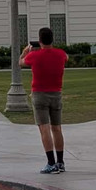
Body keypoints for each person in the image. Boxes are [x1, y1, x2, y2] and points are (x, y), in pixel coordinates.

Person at [20, 27, 69, 174]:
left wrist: (24, 52)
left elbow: (20, 63)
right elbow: (66, 57)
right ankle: (60, 162)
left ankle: (51, 162)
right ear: (52, 39)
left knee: (44, 128)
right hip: (56, 93)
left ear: (40, 40)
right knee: (57, 128)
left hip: (39, 94)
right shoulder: (60, 54)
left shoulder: (34, 56)